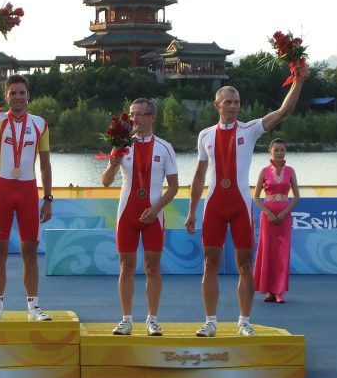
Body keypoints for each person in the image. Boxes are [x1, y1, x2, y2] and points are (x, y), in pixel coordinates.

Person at [185, 63, 310, 337]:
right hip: (214, 206)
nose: (233, 106)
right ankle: (210, 321)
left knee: (245, 265)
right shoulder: (205, 135)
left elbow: (283, 111)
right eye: (228, 102)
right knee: (210, 264)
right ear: (217, 105)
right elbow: (199, 175)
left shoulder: (250, 129)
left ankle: (244, 321)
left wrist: (298, 82)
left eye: (237, 102)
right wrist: (192, 211)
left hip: (240, 206)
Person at [0, 24, 53, 322]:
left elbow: (45, 163)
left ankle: (33, 307)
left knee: (30, 251)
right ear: (6, 96)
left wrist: (48, 198)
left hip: (28, 190)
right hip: (3, 189)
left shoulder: (40, 124)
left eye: (22, 92)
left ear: (28, 96)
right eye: (13, 93)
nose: (18, 97)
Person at [101, 99, 178, 336]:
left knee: (152, 268)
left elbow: (174, 187)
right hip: (127, 214)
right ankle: (126, 319)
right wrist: (112, 165)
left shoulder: (165, 148)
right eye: (132, 114)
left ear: (152, 117)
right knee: (126, 267)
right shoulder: (122, 145)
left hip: (153, 216)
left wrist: (155, 209)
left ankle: (152, 320)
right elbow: (106, 182)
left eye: (140, 114)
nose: (135, 119)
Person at [252, 138, 300, 304]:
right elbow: (256, 197)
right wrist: (268, 213)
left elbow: (297, 197)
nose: (280, 153)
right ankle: (269, 291)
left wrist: (284, 213)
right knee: (267, 252)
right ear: (270, 151)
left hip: (284, 216)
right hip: (268, 217)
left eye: (282, 150)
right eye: (276, 150)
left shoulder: (290, 171)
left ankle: (279, 291)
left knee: (282, 252)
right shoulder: (264, 171)